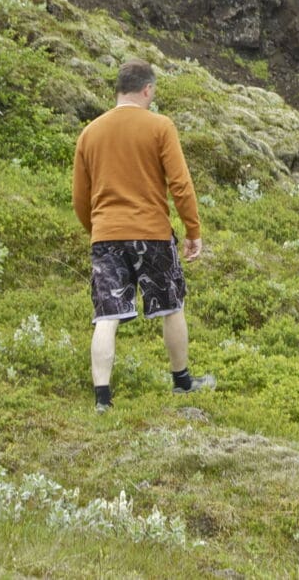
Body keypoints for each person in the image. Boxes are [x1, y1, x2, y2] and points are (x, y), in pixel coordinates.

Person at [71, 59, 216, 411]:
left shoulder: (89, 133)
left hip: (105, 235)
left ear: (119, 89)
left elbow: (79, 197)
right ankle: (182, 382)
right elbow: (180, 185)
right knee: (171, 305)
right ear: (147, 89)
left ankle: (102, 398)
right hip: (151, 234)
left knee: (106, 315)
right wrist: (192, 230)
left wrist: (99, 231)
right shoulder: (160, 126)